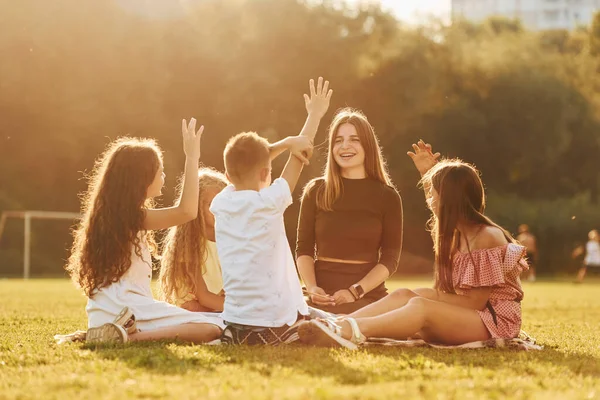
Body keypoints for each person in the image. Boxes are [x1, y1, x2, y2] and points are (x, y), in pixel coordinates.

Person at [297, 140, 529, 349]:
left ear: (450, 198)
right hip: (471, 316)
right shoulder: (456, 234)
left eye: (435, 193)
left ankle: (350, 331)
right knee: (404, 294)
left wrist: (431, 296)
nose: (431, 199)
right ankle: (335, 323)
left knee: (419, 304)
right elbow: (437, 208)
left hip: (493, 322)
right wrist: (428, 173)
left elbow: (476, 303)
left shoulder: (488, 236)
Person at [65, 118, 224, 344]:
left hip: (108, 312)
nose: (164, 177)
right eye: (159, 172)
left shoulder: (117, 216)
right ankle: (127, 339)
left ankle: (115, 334)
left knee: (211, 327)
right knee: (213, 329)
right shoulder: (131, 217)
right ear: (141, 179)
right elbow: (187, 211)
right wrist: (191, 157)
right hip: (126, 309)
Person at [209, 77, 332, 345]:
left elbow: (256, 164)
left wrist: (284, 143)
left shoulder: (220, 202)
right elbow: (301, 156)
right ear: (266, 172)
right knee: (333, 323)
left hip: (236, 321)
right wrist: (313, 117)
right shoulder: (269, 201)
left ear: (227, 175)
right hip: (275, 321)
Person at [295, 108, 403, 314]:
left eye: (354, 139)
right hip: (320, 295)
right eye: (338, 140)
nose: (345, 146)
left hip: (366, 295)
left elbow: (390, 259)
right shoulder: (315, 191)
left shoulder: (387, 196)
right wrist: (312, 288)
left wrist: (355, 291)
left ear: (367, 146)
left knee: (383, 318)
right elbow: (304, 249)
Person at [159, 168, 228, 311]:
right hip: (193, 307)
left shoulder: (229, 242)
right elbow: (203, 297)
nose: (219, 210)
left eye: (224, 204)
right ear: (196, 207)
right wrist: (243, 311)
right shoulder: (188, 244)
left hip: (217, 306)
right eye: (211, 204)